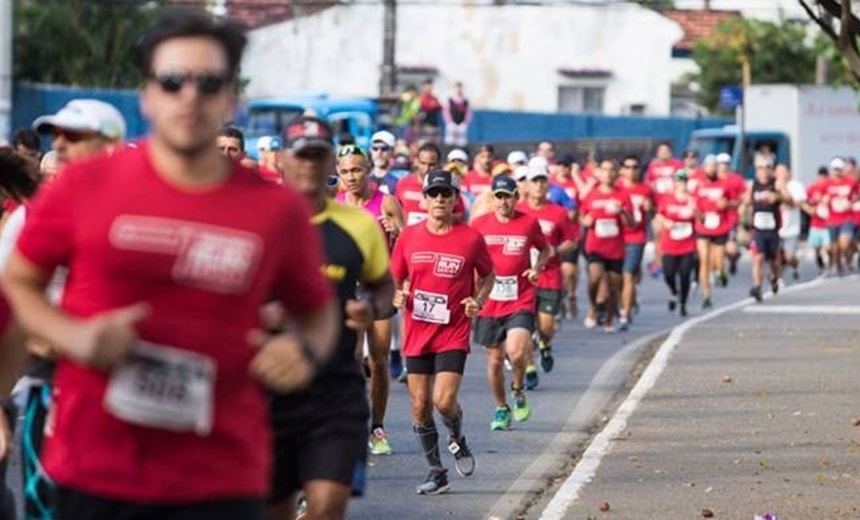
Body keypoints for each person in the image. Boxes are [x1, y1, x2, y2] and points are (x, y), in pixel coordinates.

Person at [1, 9, 338, 519]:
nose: (190, 96)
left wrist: (304, 350)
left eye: (209, 83)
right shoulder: (81, 188)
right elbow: (19, 282)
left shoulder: (276, 208)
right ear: (148, 95)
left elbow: (317, 311)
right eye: (173, 80)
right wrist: (75, 338)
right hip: (96, 468)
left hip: (222, 475)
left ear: (231, 99)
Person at [269, 117, 394, 520]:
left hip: (334, 389)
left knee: (326, 508)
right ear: (283, 162)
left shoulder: (358, 225)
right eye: (300, 155)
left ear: (331, 167)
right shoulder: (259, 221)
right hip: (269, 389)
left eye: (318, 155)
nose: (308, 164)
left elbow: (383, 286)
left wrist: (370, 308)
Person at [391, 169, 494, 495]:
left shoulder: (470, 238)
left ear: (454, 199)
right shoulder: (409, 236)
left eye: (445, 194)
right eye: (433, 194)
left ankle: (456, 435)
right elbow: (394, 278)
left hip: (453, 330)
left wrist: (476, 300)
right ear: (424, 199)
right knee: (420, 405)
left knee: (444, 401)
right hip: (417, 330)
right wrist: (396, 294)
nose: (439, 200)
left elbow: (489, 275)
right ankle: (437, 471)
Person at [334, 143, 404, 457]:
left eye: (357, 170)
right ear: (337, 173)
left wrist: (398, 231)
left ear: (368, 170)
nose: (351, 176)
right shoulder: (333, 205)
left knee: (378, 360)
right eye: (345, 171)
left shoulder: (385, 202)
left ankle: (377, 427)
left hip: (378, 290)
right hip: (347, 289)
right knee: (348, 362)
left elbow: (408, 247)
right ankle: (350, 424)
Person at [471, 176, 549, 431]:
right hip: (489, 300)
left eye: (508, 196)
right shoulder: (479, 225)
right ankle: (502, 407)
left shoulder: (528, 222)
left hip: (520, 298)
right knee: (494, 361)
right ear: (493, 198)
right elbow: (468, 259)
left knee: (516, 352)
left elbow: (545, 249)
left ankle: (517, 388)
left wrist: (536, 268)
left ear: (516, 198)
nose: (503, 201)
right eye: (499, 196)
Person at [516, 162, 576, 383]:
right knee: (524, 326)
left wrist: (556, 250)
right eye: (535, 181)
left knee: (546, 326)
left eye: (542, 181)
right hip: (523, 278)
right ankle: (530, 369)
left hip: (549, 275)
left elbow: (571, 240)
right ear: (527, 185)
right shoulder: (518, 210)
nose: (539, 185)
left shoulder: (558, 212)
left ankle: (545, 344)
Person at [580, 159, 633, 333]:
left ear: (617, 173)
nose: (608, 173)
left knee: (613, 287)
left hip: (615, 248)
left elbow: (630, 224)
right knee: (594, 277)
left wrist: (622, 212)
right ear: (600, 173)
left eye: (612, 170)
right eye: (605, 170)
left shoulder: (623, 194)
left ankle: (609, 319)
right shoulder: (592, 194)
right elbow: (582, 217)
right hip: (595, 246)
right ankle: (594, 306)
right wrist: (586, 221)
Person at [694, 154, 739, 310]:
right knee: (704, 260)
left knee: (717, 262)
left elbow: (736, 202)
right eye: (709, 166)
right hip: (703, 227)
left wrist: (726, 203)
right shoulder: (698, 183)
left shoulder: (724, 184)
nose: (712, 169)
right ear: (704, 167)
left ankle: (720, 272)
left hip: (720, 227)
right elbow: (692, 201)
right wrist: (697, 214)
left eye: (714, 166)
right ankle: (707, 296)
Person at [33, 98, 126, 166]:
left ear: (109, 144)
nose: (57, 145)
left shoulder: (130, 191)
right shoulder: (51, 192)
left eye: (71, 135)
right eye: (55, 135)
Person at [617, 155, 653, 330]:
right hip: (615, 238)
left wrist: (650, 207)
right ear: (622, 169)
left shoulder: (645, 189)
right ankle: (628, 300)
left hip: (636, 237)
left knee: (628, 276)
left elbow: (655, 210)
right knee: (618, 279)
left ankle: (624, 314)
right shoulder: (615, 188)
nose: (631, 170)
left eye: (635, 166)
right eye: (628, 166)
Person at [744, 155, 786, 301]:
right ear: (756, 170)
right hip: (758, 229)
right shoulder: (752, 185)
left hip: (773, 229)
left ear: (771, 169)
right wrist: (744, 225)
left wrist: (778, 197)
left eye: (767, 167)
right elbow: (745, 203)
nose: (763, 171)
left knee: (774, 261)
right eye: (760, 168)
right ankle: (757, 287)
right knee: (758, 258)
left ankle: (774, 278)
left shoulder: (777, 184)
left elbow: (788, 199)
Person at [658, 170, 697, 316]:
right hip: (670, 243)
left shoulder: (692, 199)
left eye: (684, 181)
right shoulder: (667, 198)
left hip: (687, 244)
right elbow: (659, 216)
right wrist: (665, 222)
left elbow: (702, 220)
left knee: (685, 274)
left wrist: (695, 210)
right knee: (668, 273)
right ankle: (674, 291)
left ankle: (683, 303)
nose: (681, 184)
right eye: (678, 181)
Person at [645, 141, 683, 277]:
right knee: (658, 234)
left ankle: (676, 262)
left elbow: (682, 180)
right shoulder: (653, 166)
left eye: (666, 151)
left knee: (674, 235)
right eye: (661, 151)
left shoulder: (677, 165)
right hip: (658, 207)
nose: (663, 153)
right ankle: (658, 262)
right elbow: (648, 183)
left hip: (674, 206)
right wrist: (652, 189)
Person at [822, 157, 858, 275]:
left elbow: (857, 194)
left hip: (847, 218)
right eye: (835, 169)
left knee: (844, 242)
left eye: (839, 169)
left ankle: (848, 262)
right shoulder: (826, 183)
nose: (837, 172)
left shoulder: (850, 181)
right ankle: (838, 266)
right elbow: (821, 198)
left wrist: (851, 202)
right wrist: (824, 200)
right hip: (832, 219)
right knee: (835, 248)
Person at [775, 164, 806, 282]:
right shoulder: (772, 185)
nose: (780, 175)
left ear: (789, 173)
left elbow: (795, 203)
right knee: (776, 255)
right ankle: (778, 278)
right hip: (776, 228)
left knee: (789, 257)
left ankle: (795, 264)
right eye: (778, 172)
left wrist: (783, 189)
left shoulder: (795, 186)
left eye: (783, 172)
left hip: (791, 228)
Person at [804, 167, 832, 274]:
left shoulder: (830, 189)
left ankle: (828, 263)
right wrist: (809, 208)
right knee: (816, 248)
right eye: (821, 177)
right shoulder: (812, 188)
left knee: (828, 247)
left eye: (825, 177)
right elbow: (804, 201)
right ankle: (819, 260)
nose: (823, 180)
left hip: (827, 224)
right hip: (815, 224)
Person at [368, 130, 400, 196]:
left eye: (384, 149)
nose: (379, 153)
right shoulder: (364, 177)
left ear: (392, 152)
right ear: (371, 151)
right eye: (375, 148)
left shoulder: (399, 179)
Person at [443, 82, 471, 147]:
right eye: (457, 88)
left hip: (461, 123)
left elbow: (468, 112)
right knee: (450, 141)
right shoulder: (449, 99)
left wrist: (465, 122)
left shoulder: (465, 100)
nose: (459, 89)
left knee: (462, 142)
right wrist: (449, 122)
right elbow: (446, 111)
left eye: (460, 88)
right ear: (454, 88)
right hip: (451, 123)